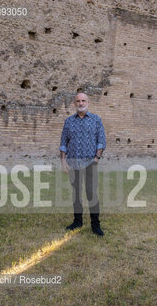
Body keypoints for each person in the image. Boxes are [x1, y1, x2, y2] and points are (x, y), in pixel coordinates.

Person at [59, 92, 106, 237]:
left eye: (83, 100)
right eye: (78, 101)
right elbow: (63, 143)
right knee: (76, 194)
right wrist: (63, 160)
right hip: (73, 163)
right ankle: (77, 221)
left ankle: (95, 225)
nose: (81, 103)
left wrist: (97, 158)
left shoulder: (96, 120)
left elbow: (101, 141)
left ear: (88, 102)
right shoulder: (69, 121)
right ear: (74, 103)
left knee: (92, 194)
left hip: (90, 163)